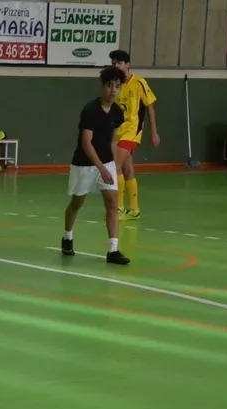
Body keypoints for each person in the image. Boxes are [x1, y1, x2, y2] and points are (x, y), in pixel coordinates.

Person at [61, 66, 130, 267]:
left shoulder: (117, 113)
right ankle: (67, 236)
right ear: (102, 86)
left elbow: (112, 140)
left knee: (112, 202)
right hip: (84, 164)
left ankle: (113, 250)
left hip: (106, 163)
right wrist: (102, 168)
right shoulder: (90, 111)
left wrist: (113, 165)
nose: (113, 90)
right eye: (109, 86)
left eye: (117, 86)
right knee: (77, 203)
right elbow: (86, 143)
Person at [109, 50, 159, 221]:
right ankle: (135, 210)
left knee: (115, 165)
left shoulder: (139, 82)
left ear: (128, 64)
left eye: (119, 63)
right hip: (118, 131)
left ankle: (119, 208)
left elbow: (150, 106)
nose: (116, 66)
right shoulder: (115, 85)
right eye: (114, 63)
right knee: (127, 169)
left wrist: (153, 131)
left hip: (132, 131)